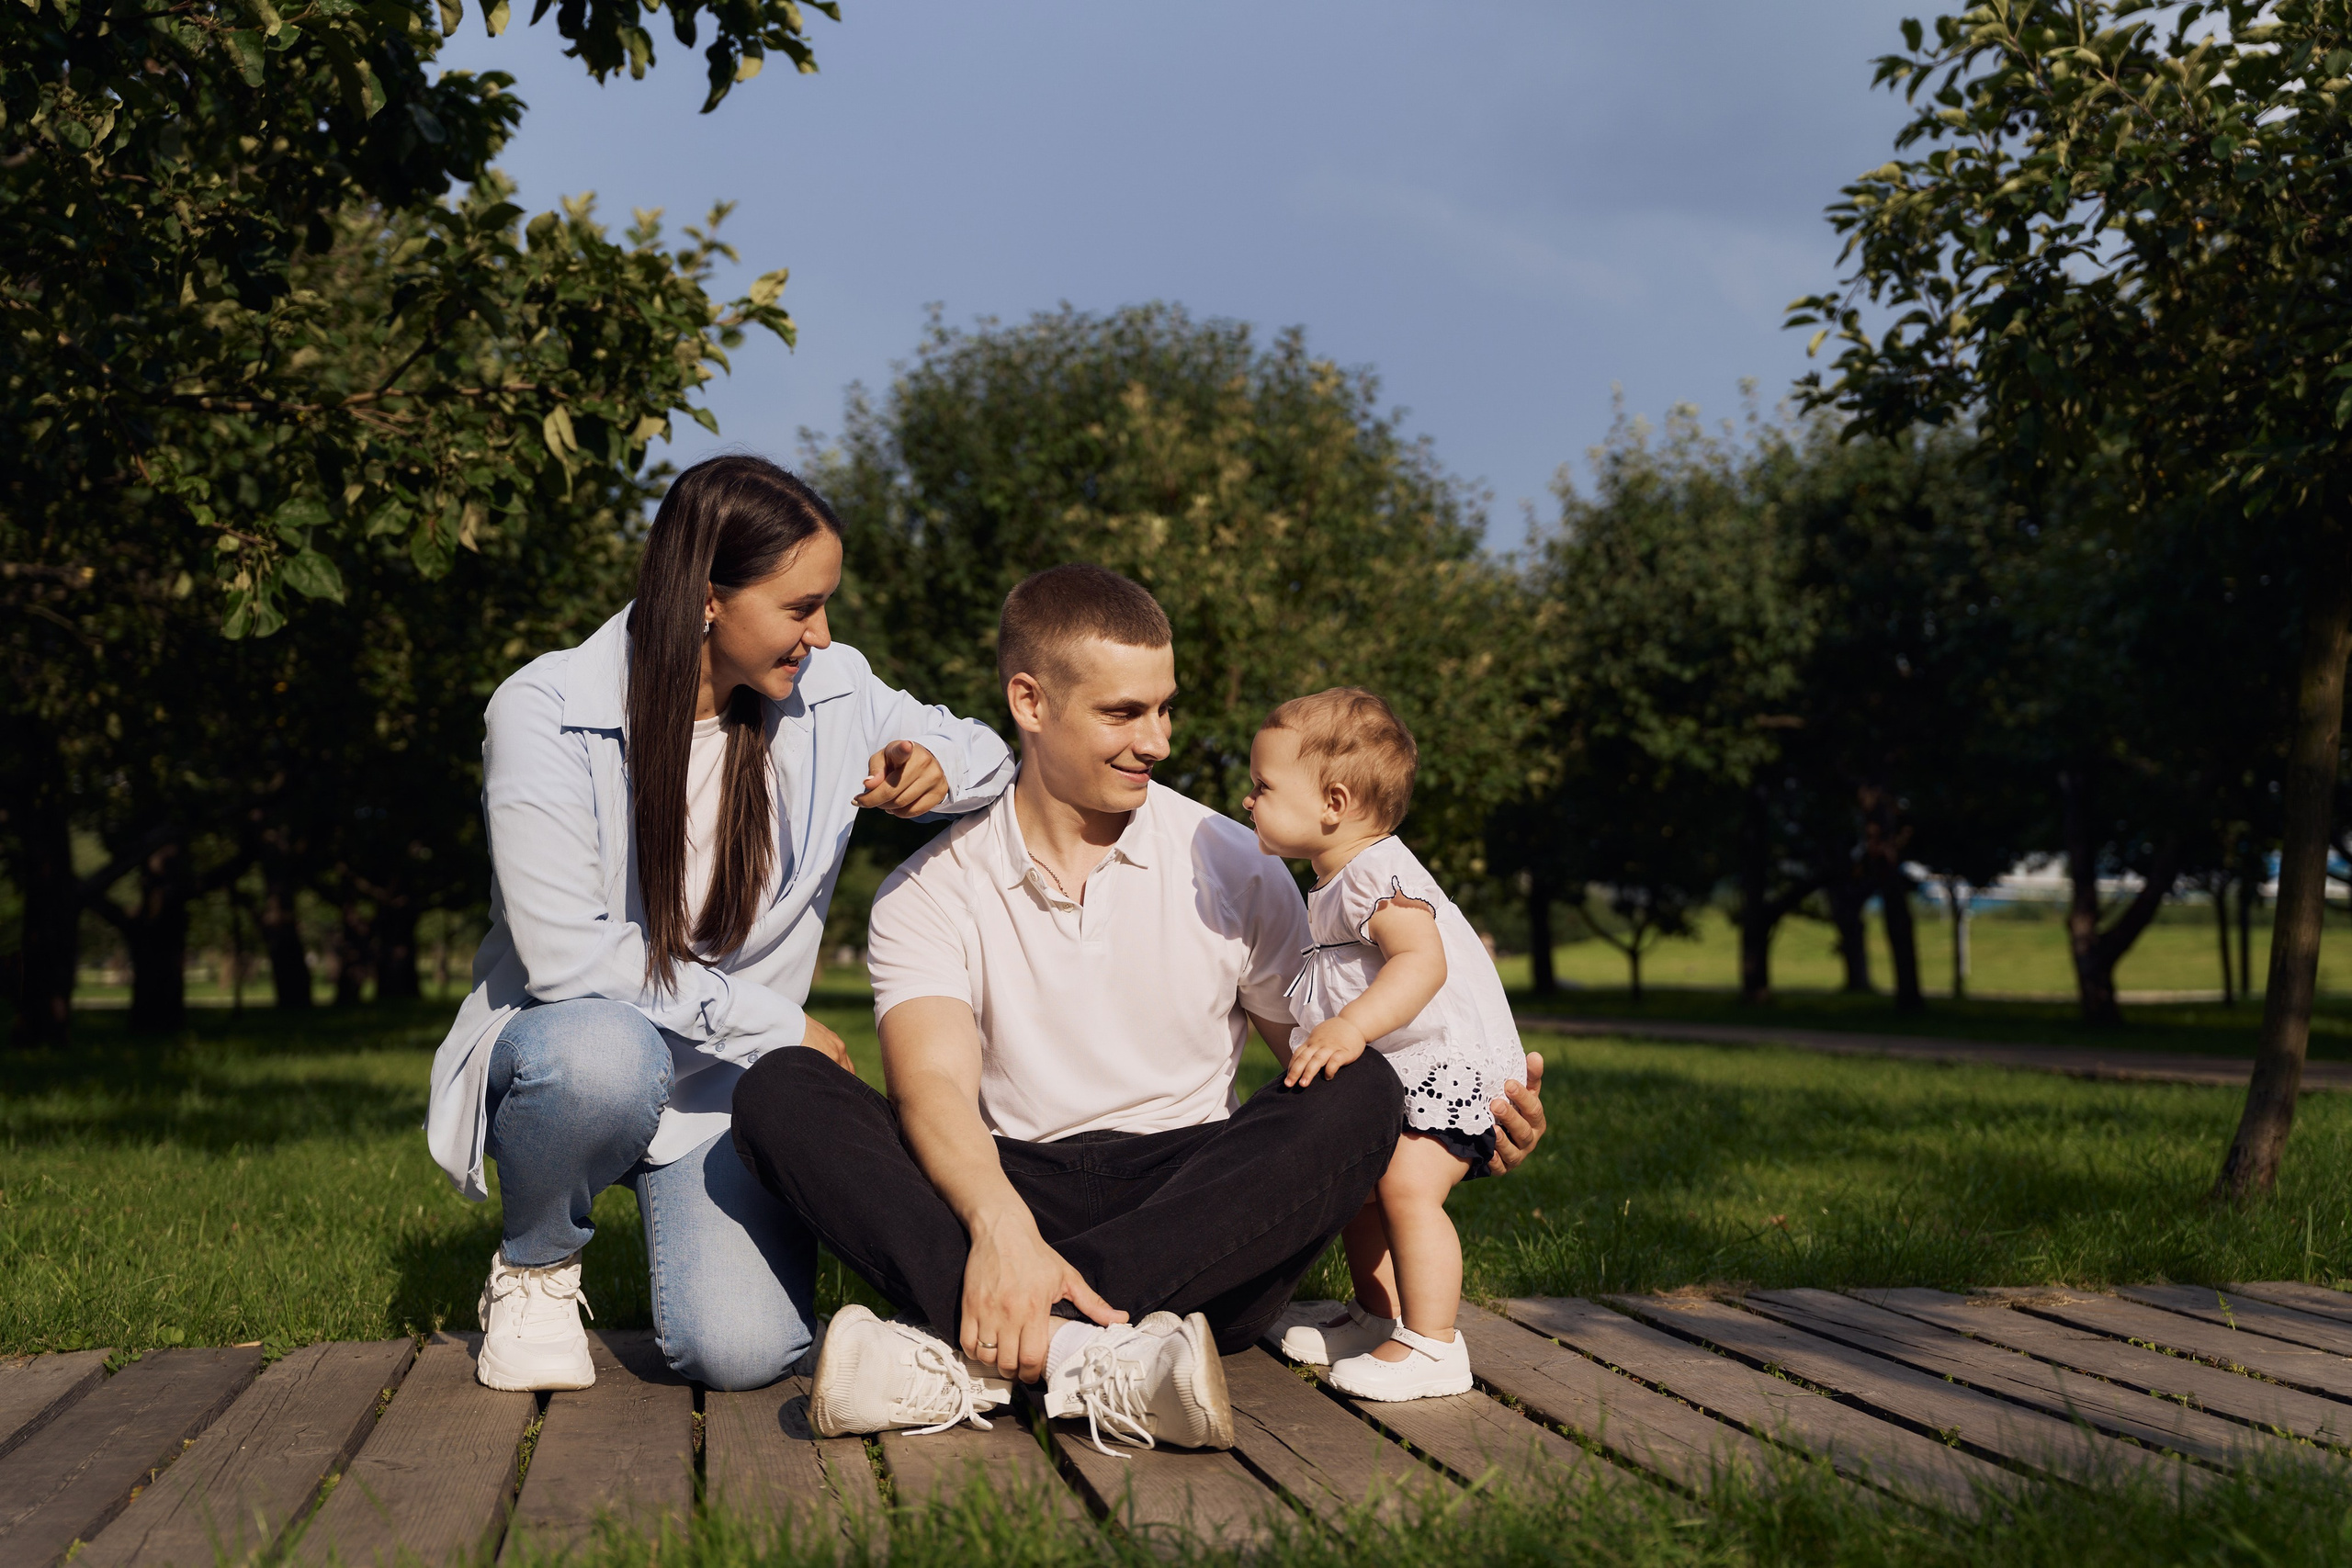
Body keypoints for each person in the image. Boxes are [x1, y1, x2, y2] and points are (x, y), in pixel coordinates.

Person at [730, 564, 1547, 1452]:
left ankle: (996, 1347)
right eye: (1124, 713)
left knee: (1365, 1092)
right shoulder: (927, 891)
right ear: (1030, 701)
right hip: (1009, 1193)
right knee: (782, 1087)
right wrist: (1002, 1226)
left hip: (1196, 1206)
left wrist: (1458, 1115)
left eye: (1165, 707)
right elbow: (932, 1089)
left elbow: (1316, 1062)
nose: (1157, 739)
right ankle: (1096, 1356)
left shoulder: (1238, 862)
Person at [424, 455, 1014, 1394]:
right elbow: (568, 954)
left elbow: (990, 753)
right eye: (800, 607)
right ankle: (535, 1267)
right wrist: (783, 1027)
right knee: (598, 1055)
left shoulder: (830, 689)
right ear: (708, 599)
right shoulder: (544, 711)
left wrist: (934, 758)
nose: (821, 633)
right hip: (583, 1045)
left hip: (725, 1091)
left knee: (740, 1355)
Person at [1245, 688, 1529, 1400]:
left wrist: (1350, 1026)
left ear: (1333, 802)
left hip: (1447, 1066)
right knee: (1366, 1186)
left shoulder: (1376, 871)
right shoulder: (1337, 876)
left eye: (1263, 786)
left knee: (1405, 1186)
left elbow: (1422, 963)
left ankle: (1434, 1344)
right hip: (1405, 1067)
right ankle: (1378, 1317)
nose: (1248, 801)